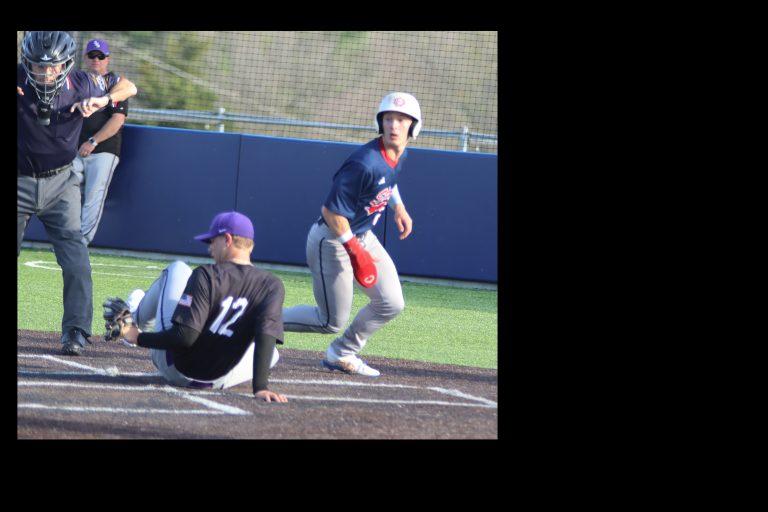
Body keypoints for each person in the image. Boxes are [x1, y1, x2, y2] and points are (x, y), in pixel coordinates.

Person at [282, 92, 420, 377]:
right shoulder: (364, 162)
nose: (394, 125)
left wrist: (399, 207)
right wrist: (354, 250)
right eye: (388, 119)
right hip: (332, 239)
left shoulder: (398, 152)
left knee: (391, 303)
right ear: (380, 123)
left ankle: (342, 352)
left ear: (413, 127)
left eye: (401, 119)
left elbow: (388, 180)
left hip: (361, 235)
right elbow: (331, 212)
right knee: (329, 321)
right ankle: (257, 322)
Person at [17, 31, 138, 356]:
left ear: (66, 65)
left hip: (61, 183)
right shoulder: (19, 79)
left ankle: (76, 331)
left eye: (53, 67)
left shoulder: (84, 82)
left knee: (76, 260)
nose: (46, 73)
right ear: (27, 62)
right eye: (38, 66)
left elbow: (129, 87)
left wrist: (102, 100)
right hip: (20, 181)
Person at [107, 211, 288, 403]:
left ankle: (135, 320)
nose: (210, 248)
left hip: (175, 368)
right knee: (272, 353)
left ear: (227, 239)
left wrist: (138, 337)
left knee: (177, 268)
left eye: (212, 241)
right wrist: (261, 387)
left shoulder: (206, 274)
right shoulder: (273, 285)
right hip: (219, 380)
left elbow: (184, 337)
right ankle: (136, 315)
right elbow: (266, 337)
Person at [73, 38, 130, 245]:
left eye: (100, 56)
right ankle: (68, 238)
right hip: (75, 150)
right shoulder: (78, 80)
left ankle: (81, 243)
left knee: (93, 197)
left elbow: (117, 120)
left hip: (103, 150)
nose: (96, 59)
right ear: (85, 58)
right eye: (92, 55)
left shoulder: (116, 84)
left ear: (107, 59)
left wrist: (93, 141)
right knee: (64, 188)